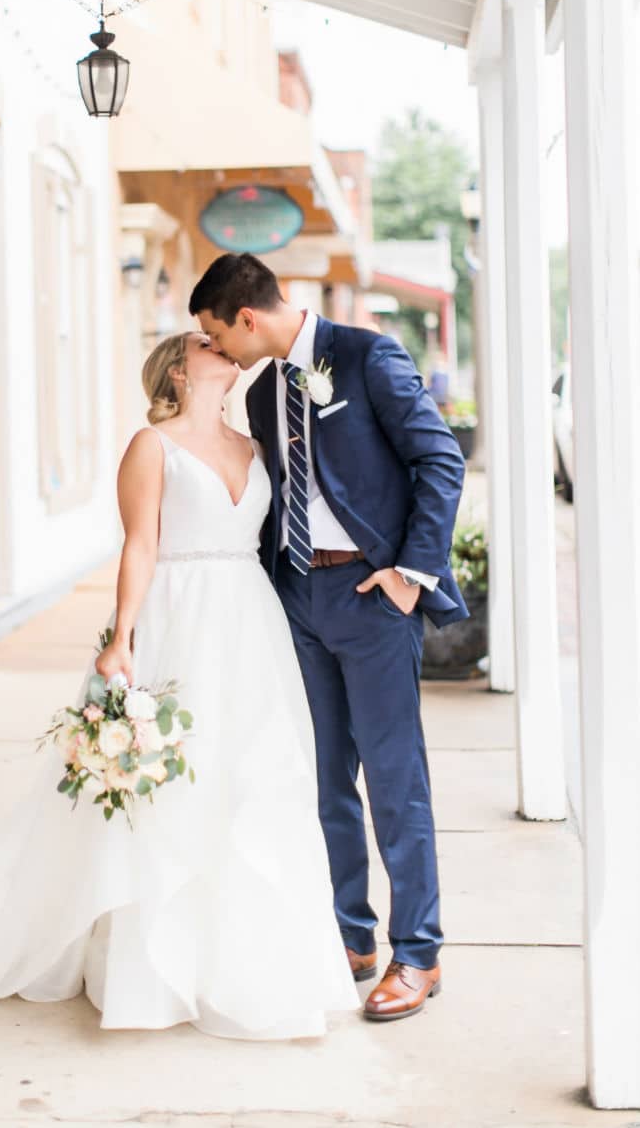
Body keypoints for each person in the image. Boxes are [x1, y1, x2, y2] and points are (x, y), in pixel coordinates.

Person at [0, 331, 358, 1038]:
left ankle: (239, 959)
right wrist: (122, 637)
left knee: (252, 782)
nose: (224, 347)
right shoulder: (151, 446)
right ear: (179, 368)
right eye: (207, 342)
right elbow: (139, 544)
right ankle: (149, 965)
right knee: (167, 790)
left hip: (247, 625)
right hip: (176, 617)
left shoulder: (257, 445)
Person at [189, 253, 467, 1022]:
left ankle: (419, 953)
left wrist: (412, 574)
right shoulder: (266, 388)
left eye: (217, 334)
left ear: (247, 318)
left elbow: (439, 459)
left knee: (393, 779)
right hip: (298, 598)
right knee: (321, 778)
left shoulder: (367, 354)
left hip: (373, 596)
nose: (218, 350)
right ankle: (351, 936)